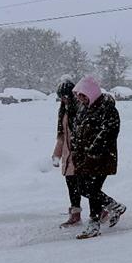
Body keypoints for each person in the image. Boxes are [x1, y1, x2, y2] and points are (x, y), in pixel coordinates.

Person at [70, 76, 127, 239]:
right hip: (84, 157)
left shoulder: (107, 108)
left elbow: (109, 132)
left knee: (92, 189)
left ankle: (94, 223)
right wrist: (75, 148)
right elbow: (77, 130)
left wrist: (94, 150)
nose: (80, 98)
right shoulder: (84, 109)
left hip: (101, 158)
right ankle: (114, 206)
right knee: (84, 188)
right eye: (78, 95)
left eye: (83, 95)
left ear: (91, 93)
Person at [52, 76, 85, 228]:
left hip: (79, 155)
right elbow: (62, 136)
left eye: (65, 96)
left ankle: (104, 207)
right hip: (68, 156)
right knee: (72, 186)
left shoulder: (80, 109)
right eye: (61, 97)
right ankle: (75, 214)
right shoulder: (63, 111)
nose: (63, 100)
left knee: (85, 187)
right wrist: (56, 155)